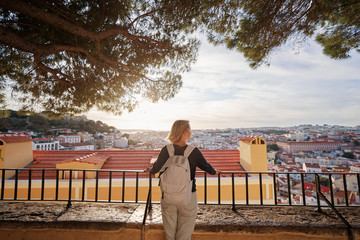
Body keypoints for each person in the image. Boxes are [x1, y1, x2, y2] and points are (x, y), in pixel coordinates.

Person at [149, 120, 218, 240]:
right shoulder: (193, 151)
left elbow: (155, 169)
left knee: (169, 232)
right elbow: (208, 168)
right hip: (188, 196)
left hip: (168, 195)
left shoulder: (166, 150)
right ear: (184, 132)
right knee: (185, 233)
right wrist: (215, 171)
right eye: (189, 130)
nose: (191, 132)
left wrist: (148, 170)